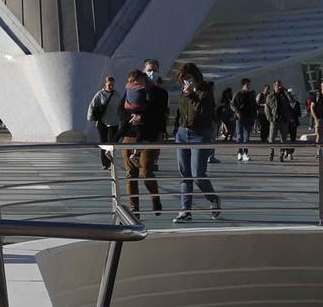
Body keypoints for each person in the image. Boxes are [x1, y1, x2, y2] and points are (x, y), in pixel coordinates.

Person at [172, 63, 223, 223]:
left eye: (188, 78)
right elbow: (180, 111)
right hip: (182, 133)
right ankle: (185, 211)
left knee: (197, 174)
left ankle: (213, 199)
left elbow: (203, 112)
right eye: (183, 80)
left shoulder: (206, 91)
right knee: (184, 174)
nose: (186, 82)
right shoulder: (184, 91)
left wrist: (192, 94)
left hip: (200, 134)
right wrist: (176, 129)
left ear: (196, 76)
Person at [119, 68, 167, 217]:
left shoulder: (159, 93)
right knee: (130, 174)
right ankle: (135, 209)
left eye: (154, 70)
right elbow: (120, 110)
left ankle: (155, 198)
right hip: (130, 135)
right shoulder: (129, 90)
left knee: (145, 172)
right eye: (148, 69)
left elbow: (159, 114)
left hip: (148, 136)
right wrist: (130, 117)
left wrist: (143, 118)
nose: (150, 72)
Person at [264, 79, 299, 162]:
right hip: (274, 120)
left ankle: (281, 155)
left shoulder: (285, 95)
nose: (279, 87)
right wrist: (270, 118)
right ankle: (271, 153)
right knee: (271, 138)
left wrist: (286, 92)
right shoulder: (270, 96)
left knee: (283, 139)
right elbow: (267, 108)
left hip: (284, 120)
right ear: (274, 86)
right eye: (277, 85)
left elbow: (292, 102)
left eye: (280, 85)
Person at [88, 75, 118, 168]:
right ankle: (105, 164)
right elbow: (92, 105)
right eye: (109, 85)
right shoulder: (100, 94)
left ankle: (111, 163)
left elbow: (120, 106)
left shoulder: (116, 94)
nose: (111, 87)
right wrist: (91, 117)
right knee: (103, 143)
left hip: (113, 122)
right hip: (102, 122)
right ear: (105, 84)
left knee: (111, 143)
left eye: (113, 85)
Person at [233, 78, 258, 162]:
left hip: (249, 117)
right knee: (239, 135)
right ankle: (239, 152)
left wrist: (254, 117)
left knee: (247, 137)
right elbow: (232, 104)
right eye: (247, 85)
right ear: (243, 85)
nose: (249, 86)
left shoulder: (251, 95)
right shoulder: (238, 94)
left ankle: (245, 153)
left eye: (249, 84)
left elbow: (254, 106)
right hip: (240, 117)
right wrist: (237, 111)